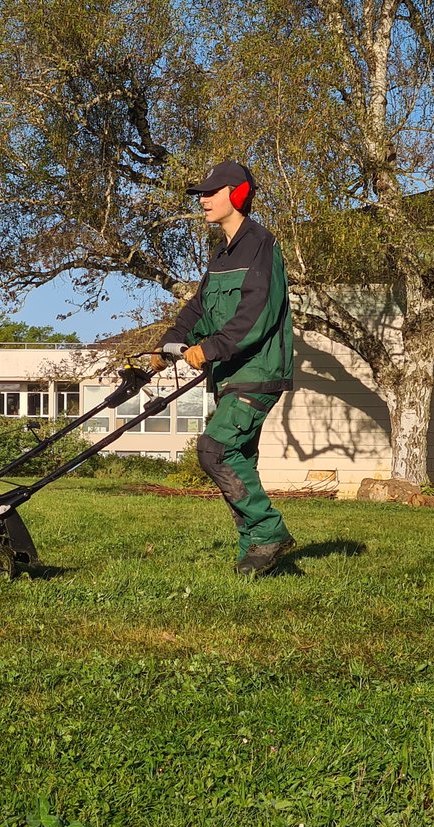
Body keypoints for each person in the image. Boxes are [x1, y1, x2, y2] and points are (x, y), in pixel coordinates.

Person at [152, 160, 295, 577]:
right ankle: (255, 554)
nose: (204, 199)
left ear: (237, 194)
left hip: (259, 370)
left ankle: (269, 531)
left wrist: (209, 348)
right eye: (201, 193)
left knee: (214, 449)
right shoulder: (221, 253)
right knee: (239, 460)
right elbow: (198, 306)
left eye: (212, 192)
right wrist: (169, 342)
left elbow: (257, 314)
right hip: (231, 374)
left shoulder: (261, 244)